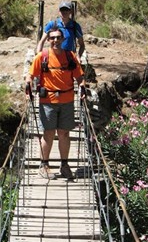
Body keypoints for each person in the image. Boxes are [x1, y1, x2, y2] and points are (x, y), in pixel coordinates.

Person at [26, 27, 86, 180]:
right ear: (48, 40)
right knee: (49, 133)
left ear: (63, 39)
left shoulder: (70, 56)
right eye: (52, 38)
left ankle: (64, 165)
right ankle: (44, 165)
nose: (55, 41)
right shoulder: (42, 57)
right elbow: (30, 75)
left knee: (64, 134)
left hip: (67, 101)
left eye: (58, 38)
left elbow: (79, 76)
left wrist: (82, 86)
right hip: (48, 102)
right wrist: (28, 87)